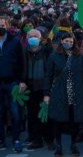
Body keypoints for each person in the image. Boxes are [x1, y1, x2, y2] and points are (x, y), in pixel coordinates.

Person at [44, 32, 83, 157]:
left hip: (76, 93)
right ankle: (59, 146)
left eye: (71, 41)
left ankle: (73, 145)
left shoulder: (79, 56)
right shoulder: (54, 56)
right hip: (59, 92)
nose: (68, 43)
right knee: (59, 120)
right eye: (66, 41)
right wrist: (46, 94)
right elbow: (48, 76)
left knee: (74, 121)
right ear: (61, 41)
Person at [23, 29, 53, 150]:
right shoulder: (24, 52)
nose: (33, 38)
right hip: (30, 88)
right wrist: (22, 81)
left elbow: (50, 71)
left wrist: (48, 89)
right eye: (30, 36)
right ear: (27, 38)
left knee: (47, 115)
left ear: (40, 38)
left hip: (44, 88)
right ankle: (36, 140)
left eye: (35, 36)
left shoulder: (47, 52)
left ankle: (50, 140)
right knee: (33, 115)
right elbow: (21, 68)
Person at [0, 16, 25, 152]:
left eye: (3, 25)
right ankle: (2, 140)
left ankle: (16, 139)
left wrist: (22, 81)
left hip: (13, 82)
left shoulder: (15, 42)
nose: (1, 27)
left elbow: (21, 63)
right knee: (0, 113)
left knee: (15, 113)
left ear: (7, 25)